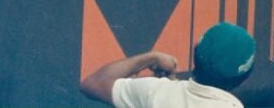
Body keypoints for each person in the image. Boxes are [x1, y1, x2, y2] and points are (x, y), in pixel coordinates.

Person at [80, 21, 255, 108]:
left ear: (195, 52)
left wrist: (151, 58)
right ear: (244, 77)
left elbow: (93, 84)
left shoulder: (155, 92)